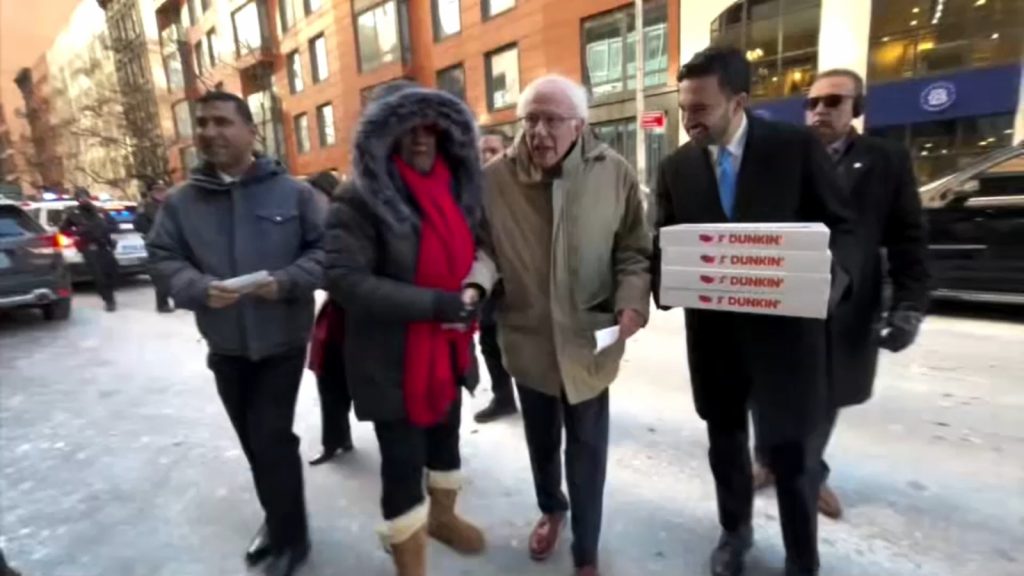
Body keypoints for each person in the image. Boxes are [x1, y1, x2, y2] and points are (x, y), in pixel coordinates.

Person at [652, 47, 859, 576]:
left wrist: (829, 283)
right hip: (715, 344)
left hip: (787, 344)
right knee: (724, 449)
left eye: (701, 107)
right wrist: (662, 281)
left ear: (739, 101)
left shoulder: (794, 148)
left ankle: (801, 558)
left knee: (790, 459)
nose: (689, 119)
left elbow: (845, 227)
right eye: (682, 109)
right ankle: (734, 534)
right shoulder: (676, 166)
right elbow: (666, 244)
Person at [464, 75, 652, 576]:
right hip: (527, 339)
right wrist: (475, 286)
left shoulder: (614, 173)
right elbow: (484, 248)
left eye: (552, 120)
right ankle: (552, 508)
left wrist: (632, 301)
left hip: (589, 340)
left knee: (588, 451)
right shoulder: (495, 180)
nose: (540, 132)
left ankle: (586, 549)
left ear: (579, 124)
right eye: (531, 120)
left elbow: (633, 248)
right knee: (542, 443)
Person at [147, 90, 324, 576]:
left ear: (251, 131)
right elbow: (162, 258)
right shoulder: (183, 202)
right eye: (202, 123)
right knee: (254, 443)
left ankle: (293, 539)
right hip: (225, 345)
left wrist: (285, 282)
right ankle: (278, 516)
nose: (209, 132)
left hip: (282, 343)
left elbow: (327, 253)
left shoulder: (296, 194)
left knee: (269, 439)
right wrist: (197, 288)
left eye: (222, 122)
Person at [324, 82, 486, 576]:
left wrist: (474, 291)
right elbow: (346, 281)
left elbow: (480, 251)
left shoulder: (457, 187)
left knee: (446, 444)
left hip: (451, 350)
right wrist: (437, 305)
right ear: (383, 135)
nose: (420, 139)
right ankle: (410, 560)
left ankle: (442, 518)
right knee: (401, 466)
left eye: (428, 128)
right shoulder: (359, 198)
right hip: (390, 362)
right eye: (405, 128)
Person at [751, 69, 929, 518]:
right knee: (769, 390)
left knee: (825, 397)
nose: (820, 111)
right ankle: (767, 460)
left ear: (857, 109)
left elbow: (908, 238)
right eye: (812, 103)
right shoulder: (780, 157)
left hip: (846, 308)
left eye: (833, 101)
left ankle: (810, 472)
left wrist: (909, 305)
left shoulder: (886, 160)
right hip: (781, 302)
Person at [305, 170, 355, 465]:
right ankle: (335, 440)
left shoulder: (352, 223)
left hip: (367, 317)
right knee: (328, 379)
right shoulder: (314, 228)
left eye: (315, 197)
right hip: (336, 316)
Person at [473, 129, 518, 424]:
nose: (486, 157)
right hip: (488, 281)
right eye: (482, 152)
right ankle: (503, 398)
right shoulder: (474, 190)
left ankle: (550, 398)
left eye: (493, 150)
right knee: (489, 342)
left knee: (529, 344)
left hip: (521, 281)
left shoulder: (521, 186)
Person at [60, 188, 119, 312]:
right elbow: (63, 230)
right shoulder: (74, 214)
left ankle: (110, 291)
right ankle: (108, 300)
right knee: (99, 276)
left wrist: (106, 229)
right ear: (77, 200)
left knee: (112, 271)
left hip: (104, 245)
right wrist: (77, 232)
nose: (83, 200)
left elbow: (114, 225)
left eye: (85, 197)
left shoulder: (99, 211)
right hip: (89, 247)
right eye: (80, 198)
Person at [133, 180, 173, 313]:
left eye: (163, 189)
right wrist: (152, 235)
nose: (161, 192)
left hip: (172, 242)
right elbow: (139, 224)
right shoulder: (145, 206)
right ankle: (162, 304)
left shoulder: (169, 203)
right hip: (156, 244)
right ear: (151, 192)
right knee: (161, 274)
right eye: (158, 190)